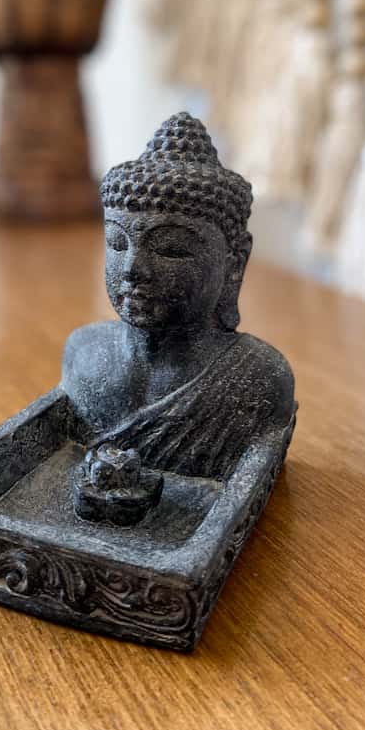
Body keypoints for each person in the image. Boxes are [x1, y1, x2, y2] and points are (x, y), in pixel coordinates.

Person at [62, 112, 295, 481]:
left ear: (234, 262)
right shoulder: (84, 353)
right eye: (118, 243)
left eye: (170, 249)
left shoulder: (258, 379)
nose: (133, 269)